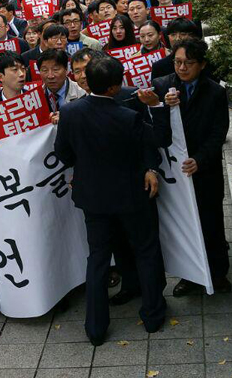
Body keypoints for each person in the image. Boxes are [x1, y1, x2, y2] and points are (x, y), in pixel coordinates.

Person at [54, 56, 165, 345]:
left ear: (88, 81)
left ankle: (95, 328)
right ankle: (153, 316)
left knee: (98, 259)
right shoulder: (129, 117)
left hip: (93, 198)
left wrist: (84, 168)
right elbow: (151, 145)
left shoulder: (69, 112)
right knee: (146, 251)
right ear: (116, 87)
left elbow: (63, 153)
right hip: (131, 196)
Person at [153, 39, 231, 294]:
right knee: (184, 222)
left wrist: (200, 159)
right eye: (177, 62)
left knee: (211, 221)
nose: (182, 68)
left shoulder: (215, 92)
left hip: (204, 169)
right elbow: (156, 131)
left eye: (188, 63)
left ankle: (218, 273)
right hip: (175, 171)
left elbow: (219, 132)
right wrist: (161, 106)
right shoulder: (163, 85)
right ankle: (189, 274)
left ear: (202, 64)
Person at [37, 48, 85, 120]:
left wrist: (67, 118)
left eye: (55, 69)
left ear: (66, 70)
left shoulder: (82, 93)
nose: (50, 76)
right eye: (45, 70)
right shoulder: (35, 98)